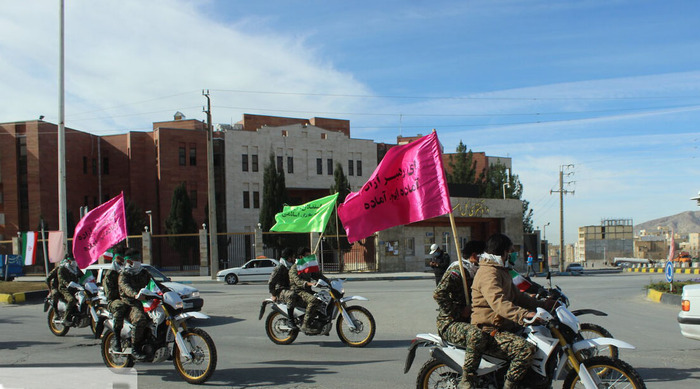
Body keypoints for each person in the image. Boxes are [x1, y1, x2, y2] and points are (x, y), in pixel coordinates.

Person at [471, 233, 553, 389]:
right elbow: (499, 303)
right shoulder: (489, 273)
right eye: (510, 251)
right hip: (489, 330)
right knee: (525, 349)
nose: (512, 254)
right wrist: (524, 315)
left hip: (505, 325)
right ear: (502, 252)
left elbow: (518, 296)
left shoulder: (501, 270)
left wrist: (541, 304)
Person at [434, 240, 488, 389]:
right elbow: (438, 294)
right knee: (477, 336)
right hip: (451, 322)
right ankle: (467, 381)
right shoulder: (458, 271)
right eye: (483, 255)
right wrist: (459, 311)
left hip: (471, 318)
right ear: (474, 255)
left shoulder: (475, 269)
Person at [118, 248, 151, 360]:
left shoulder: (143, 272)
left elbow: (154, 283)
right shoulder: (124, 274)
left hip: (145, 302)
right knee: (140, 319)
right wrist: (135, 294)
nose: (138, 261)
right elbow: (125, 288)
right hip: (130, 303)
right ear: (129, 262)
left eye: (139, 259)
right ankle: (135, 348)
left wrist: (165, 291)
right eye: (136, 259)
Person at [289, 247, 330, 335]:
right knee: (313, 300)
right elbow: (298, 282)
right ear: (301, 257)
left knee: (323, 299)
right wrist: (310, 284)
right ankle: (305, 325)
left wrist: (329, 281)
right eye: (307, 256)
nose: (309, 258)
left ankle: (319, 323)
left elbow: (317, 275)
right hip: (298, 292)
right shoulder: (294, 268)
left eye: (309, 255)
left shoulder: (308, 266)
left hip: (307, 290)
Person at [103, 244, 128, 352]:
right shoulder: (111, 274)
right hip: (115, 300)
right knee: (120, 307)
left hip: (131, 299)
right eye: (120, 258)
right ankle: (117, 339)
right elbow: (111, 295)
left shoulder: (131, 271)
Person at [268, 248, 299, 329]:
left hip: (289, 288)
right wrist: (273, 294)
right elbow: (271, 282)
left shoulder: (291, 267)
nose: (294, 258)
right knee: (291, 295)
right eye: (293, 257)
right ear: (289, 258)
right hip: (280, 290)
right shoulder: (280, 267)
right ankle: (290, 320)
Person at [57, 255, 84, 326]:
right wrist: (68, 284)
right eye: (73, 260)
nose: (75, 262)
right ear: (69, 261)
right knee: (72, 300)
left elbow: (83, 276)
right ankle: (65, 319)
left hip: (75, 287)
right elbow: (62, 279)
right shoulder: (62, 268)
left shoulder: (75, 268)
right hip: (65, 288)